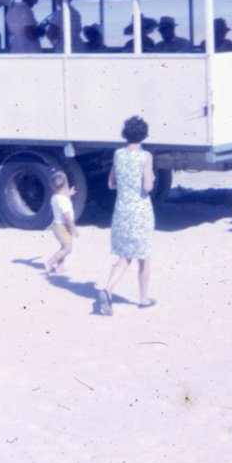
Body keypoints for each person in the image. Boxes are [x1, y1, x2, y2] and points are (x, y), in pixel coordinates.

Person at [98, 116, 155, 315]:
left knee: (124, 256)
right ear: (144, 134)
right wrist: (152, 178)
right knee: (144, 257)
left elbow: (111, 183)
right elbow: (147, 186)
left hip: (121, 209)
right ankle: (143, 298)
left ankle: (108, 288)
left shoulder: (118, 154)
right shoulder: (145, 156)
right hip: (140, 210)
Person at [44, 171, 79, 276]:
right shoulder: (64, 201)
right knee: (68, 249)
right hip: (63, 227)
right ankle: (49, 262)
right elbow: (67, 217)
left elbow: (62, 196)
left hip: (57, 226)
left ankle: (60, 267)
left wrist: (69, 194)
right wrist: (74, 228)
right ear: (66, 185)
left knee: (63, 247)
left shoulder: (56, 197)